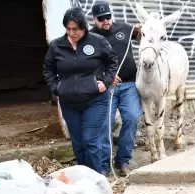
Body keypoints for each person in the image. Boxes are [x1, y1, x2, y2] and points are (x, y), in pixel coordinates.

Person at [43, 7, 118, 174]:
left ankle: (96, 179)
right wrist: (57, 88)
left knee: (91, 141)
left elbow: (112, 61)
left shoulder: (98, 42)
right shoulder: (57, 46)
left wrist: (105, 82)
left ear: (84, 27)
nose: (71, 33)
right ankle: (84, 179)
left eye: (75, 29)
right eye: (68, 29)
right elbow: (48, 69)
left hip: (95, 99)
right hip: (69, 102)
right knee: (78, 144)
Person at [90, 1, 143, 177]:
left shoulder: (125, 29)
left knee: (132, 118)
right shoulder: (90, 38)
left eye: (108, 17)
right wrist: (104, 76)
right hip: (106, 88)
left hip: (129, 85)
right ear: (94, 19)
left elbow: (144, 35)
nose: (105, 21)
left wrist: (143, 27)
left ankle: (123, 161)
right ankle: (104, 165)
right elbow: (87, 65)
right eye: (101, 18)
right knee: (106, 124)